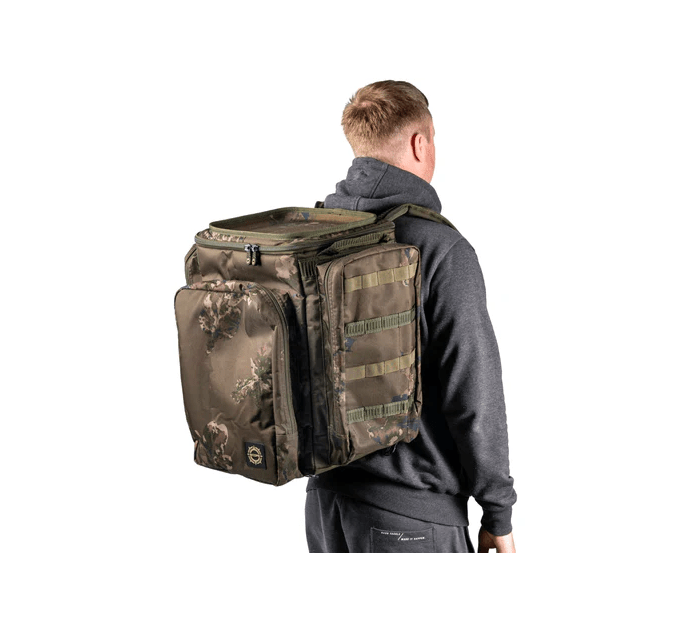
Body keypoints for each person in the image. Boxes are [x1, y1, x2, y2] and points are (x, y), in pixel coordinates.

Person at [305, 80, 517, 553]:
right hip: (415, 515)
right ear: (420, 143)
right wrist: (498, 513)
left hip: (325, 505)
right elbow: (474, 393)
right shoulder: (440, 249)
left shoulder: (314, 239)